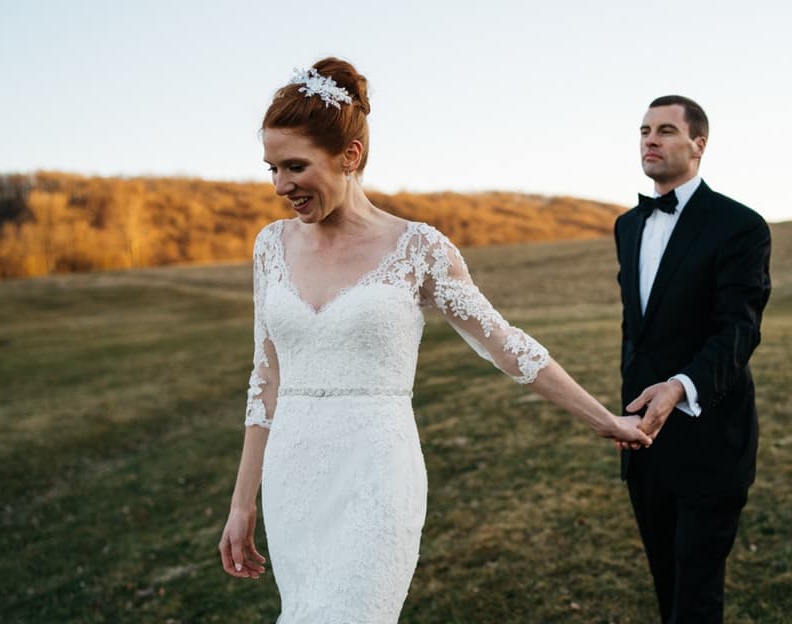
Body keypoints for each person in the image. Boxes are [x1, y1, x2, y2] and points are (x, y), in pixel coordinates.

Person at [217, 57, 652, 623]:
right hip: (292, 479)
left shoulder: (418, 249)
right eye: (271, 168)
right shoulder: (270, 247)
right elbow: (266, 380)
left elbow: (504, 342)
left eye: (295, 166)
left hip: (375, 471)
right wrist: (241, 501)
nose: (280, 186)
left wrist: (604, 420)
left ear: (349, 156)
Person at [613, 95, 771, 623]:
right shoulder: (627, 226)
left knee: (697, 594)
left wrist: (680, 386)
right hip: (645, 442)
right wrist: (627, 413)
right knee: (667, 583)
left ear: (698, 144)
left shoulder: (740, 226)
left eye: (664, 131)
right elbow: (634, 327)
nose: (649, 140)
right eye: (642, 131)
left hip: (712, 439)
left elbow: (739, 329)